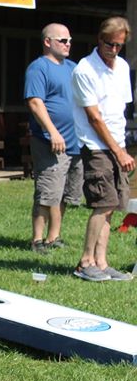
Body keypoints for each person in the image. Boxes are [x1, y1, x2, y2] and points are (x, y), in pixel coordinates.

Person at [70, 16, 135, 281]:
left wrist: (123, 147)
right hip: (95, 146)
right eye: (110, 44)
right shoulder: (84, 70)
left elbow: (119, 110)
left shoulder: (122, 67)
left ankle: (102, 261)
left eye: (120, 45)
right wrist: (118, 152)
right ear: (99, 39)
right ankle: (85, 263)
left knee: (113, 205)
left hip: (118, 143)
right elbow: (95, 118)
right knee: (102, 203)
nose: (115, 50)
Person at [24, 23, 82, 254]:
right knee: (48, 192)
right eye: (62, 40)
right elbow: (35, 102)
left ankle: (54, 236)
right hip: (49, 141)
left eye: (69, 40)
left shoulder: (73, 68)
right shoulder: (38, 68)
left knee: (67, 193)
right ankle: (37, 240)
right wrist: (53, 132)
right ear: (47, 42)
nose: (68, 44)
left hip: (75, 142)